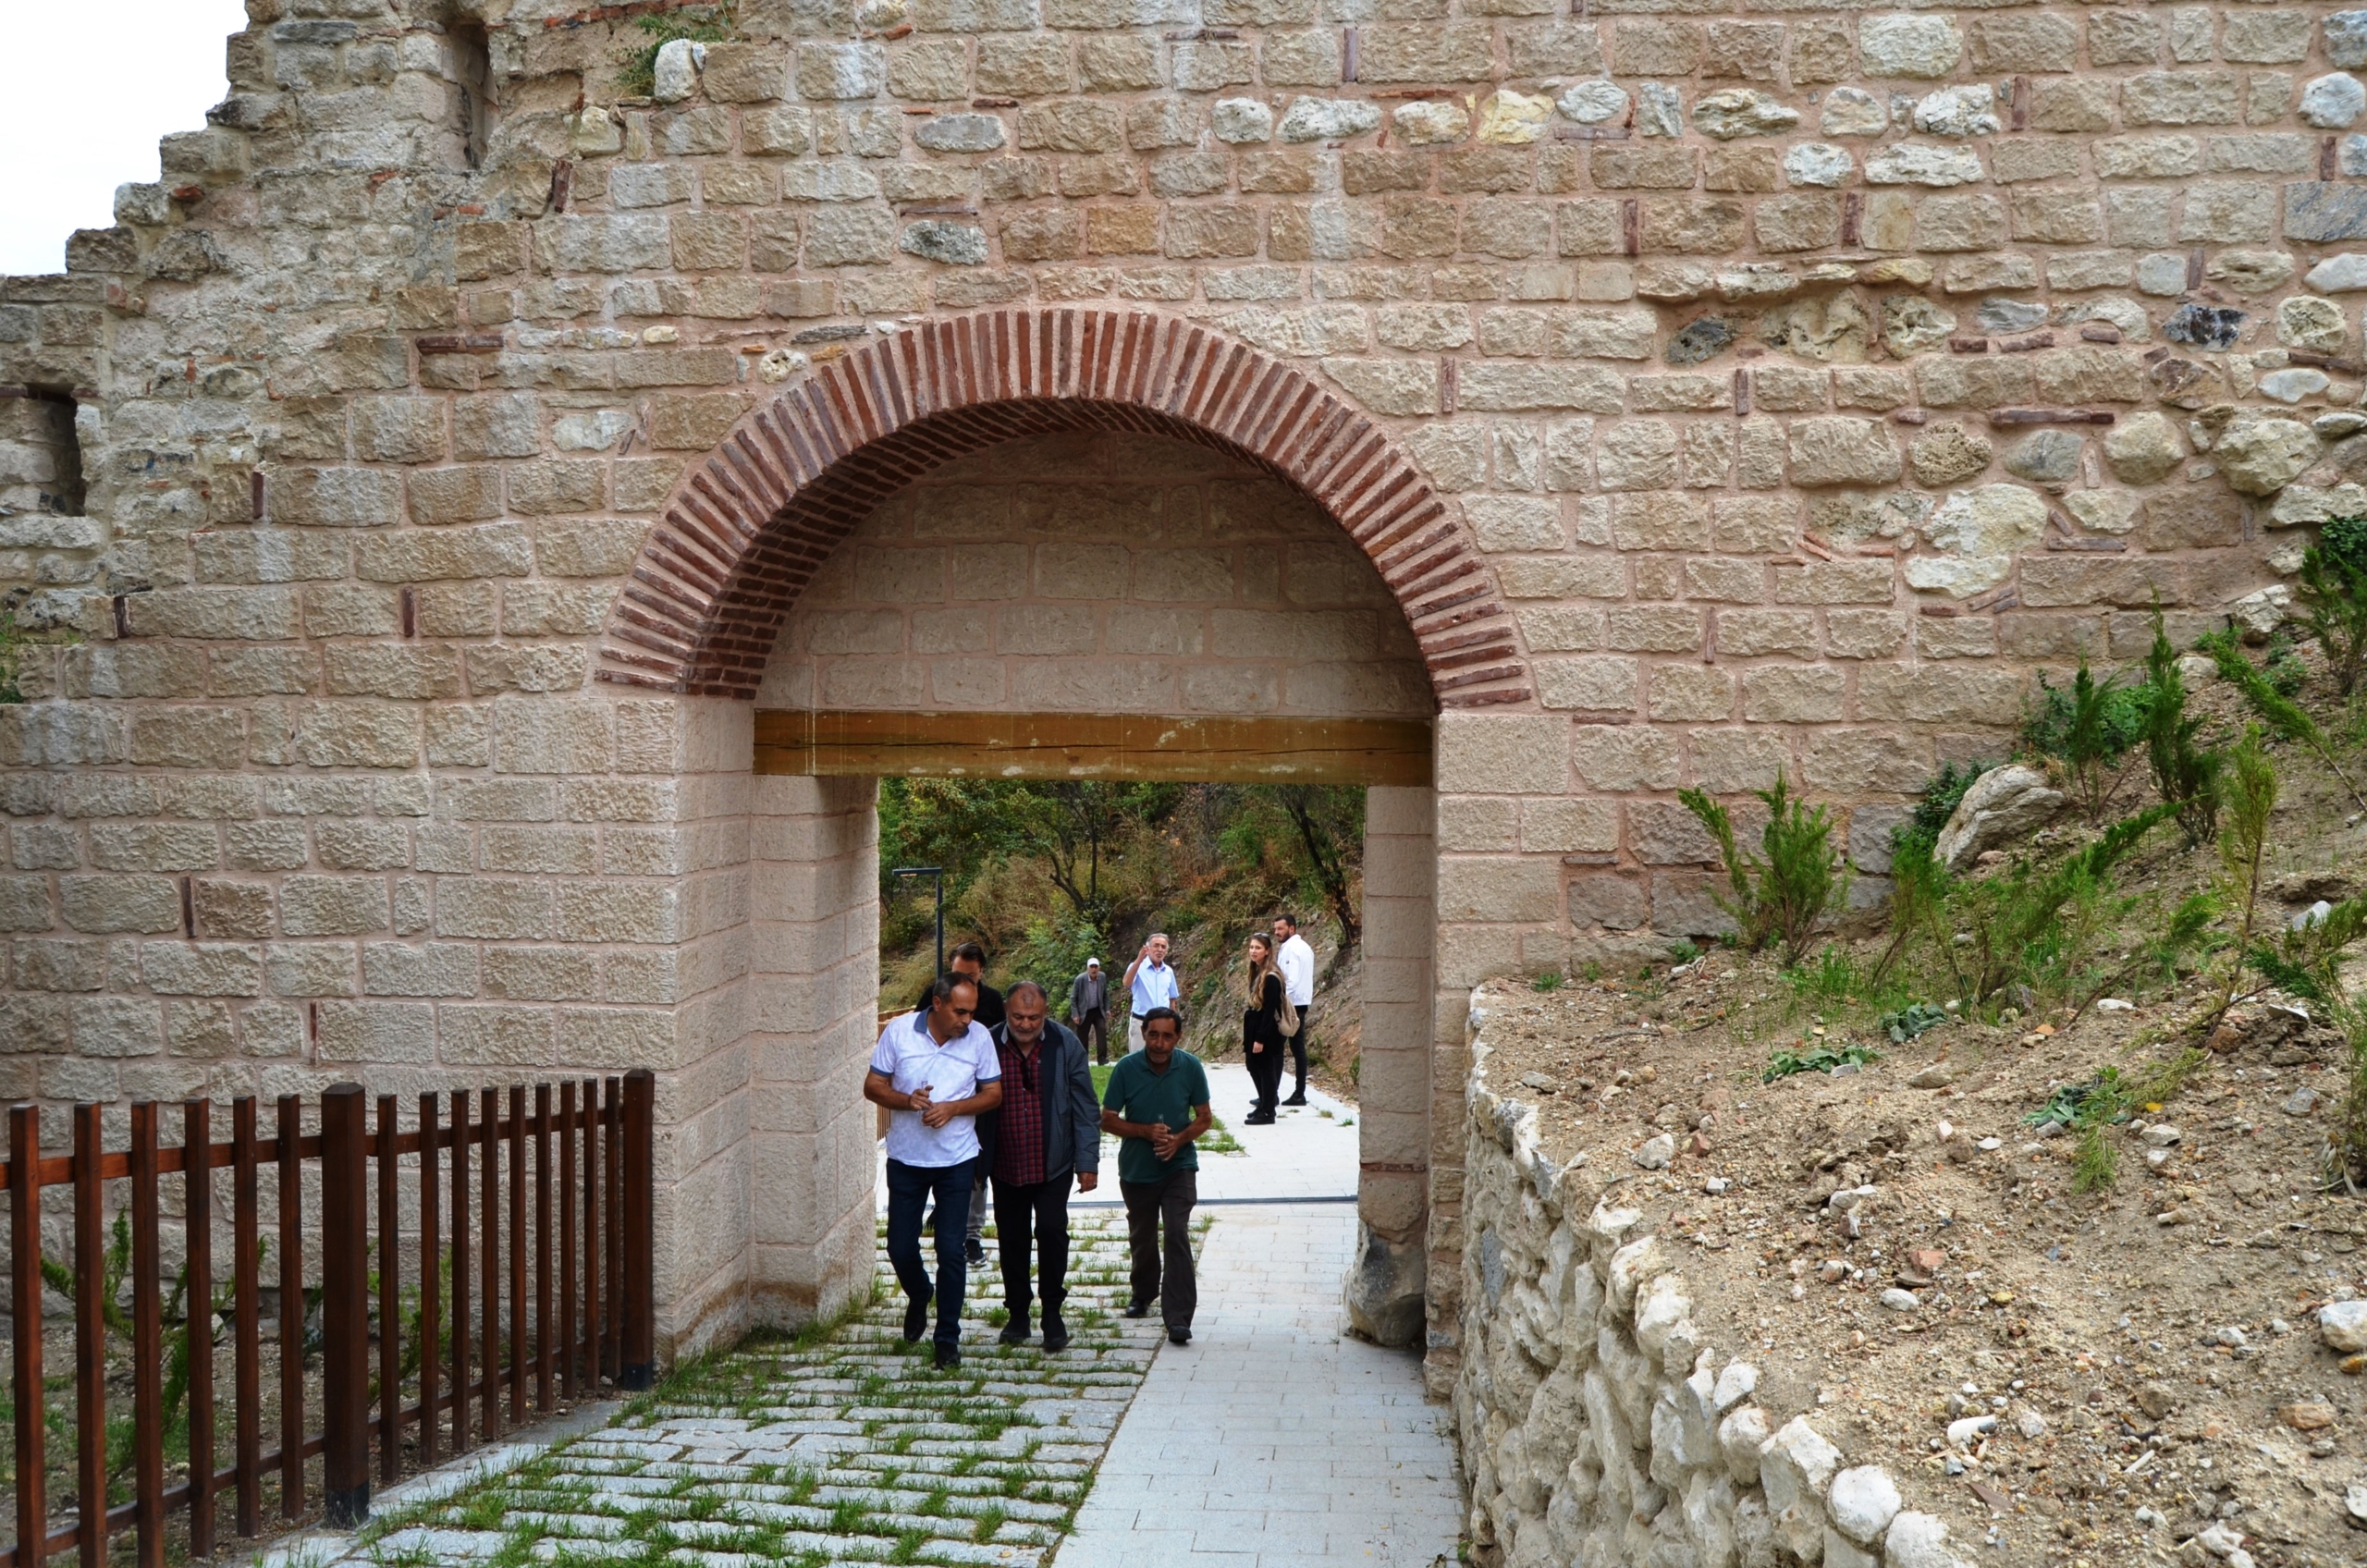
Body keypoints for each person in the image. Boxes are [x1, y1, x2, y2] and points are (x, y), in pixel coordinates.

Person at [865, 974, 1002, 1369]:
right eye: (960, 1011)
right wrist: (907, 1101)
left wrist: (953, 1108)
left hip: (957, 1159)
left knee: (951, 1249)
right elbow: (873, 1086)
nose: (968, 1020)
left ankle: (947, 1338)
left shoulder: (978, 1038)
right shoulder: (899, 1032)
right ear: (938, 1005)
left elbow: (993, 1094)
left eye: (972, 1012)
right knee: (899, 1247)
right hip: (907, 1158)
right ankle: (921, 1292)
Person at [979, 981, 1100, 1353]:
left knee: (1051, 1231)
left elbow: (1085, 1106)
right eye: (1018, 1016)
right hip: (1006, 1163)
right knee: (1011, 1237)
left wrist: (1087, 1162)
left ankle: (1052, 1311)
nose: (1026, 1024)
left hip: (1054, 1162)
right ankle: (1017, 1312)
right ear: (1005, 1010)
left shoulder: (1066, 1044)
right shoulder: (985, 1044)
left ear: (1045, 1013)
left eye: (1033, 1017)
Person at [1099, 1008, 1210, 1345]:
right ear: (1143, 1034)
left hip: (1179, 1168)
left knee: (1176, 1233)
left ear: (1178, 1038)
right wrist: (1144, 1132)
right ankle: (1143, 1292)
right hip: (1137, 1170)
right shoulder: (1126, 1069)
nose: (1159, 1043)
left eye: (1167, 1036)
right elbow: (1107, 1119)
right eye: (1153, 1035)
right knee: (1143, 1235)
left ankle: (1178, 1317)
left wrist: (1178, 1140)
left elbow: (1204, 1118)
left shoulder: (1190, 1067)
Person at [916, 942, 1003, 1267]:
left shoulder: (993, 1001)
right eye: (956, 973)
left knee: (978, 1168)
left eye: (969, 975)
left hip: (977, 1096)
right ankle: (943, 1208)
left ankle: (971, 1236)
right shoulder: (932, 995)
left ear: (981, 973)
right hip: (938, 1093)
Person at [1240, 933, 1296, 1125]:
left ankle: (1268, 1110)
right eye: (1251, 947)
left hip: (1265, 1028)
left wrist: (1260, 1038)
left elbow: (1270, 1009)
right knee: (1252, 1065)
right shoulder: (1257, 971)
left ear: (1267, 951)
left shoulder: (1271, 976)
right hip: (1253, 1024)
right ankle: (1263, 1103)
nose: (1253, 951)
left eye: (1257, 948)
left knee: (1265, 1068)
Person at [1272, 913, 1316, 1107]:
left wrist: (1279, 1001)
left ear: (1292, 928)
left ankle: (1272, 1094)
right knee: (1297, 1048)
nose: (1276, 933)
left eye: (1280, 929)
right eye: (1275, 929)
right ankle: (1298, 1093)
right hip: (1300, 1002)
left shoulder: (1292, 949)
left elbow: (1291, 979)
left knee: (1277, 1048)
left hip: (1290, 1004)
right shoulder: (1304, 947)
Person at [1122, 933, 1179, 1054]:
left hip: (1163, 1024)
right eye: (1156, 946)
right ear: (1147, 949)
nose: (1160, 950)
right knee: (1138, 1062)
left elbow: (1172, 1000)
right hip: (1140, 1022)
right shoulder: (1137, 967)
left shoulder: (1168, 972)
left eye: (1163, 947)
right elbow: (1127, 983)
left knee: (1163, 1060)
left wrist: (1174, 1024)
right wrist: (1138, 960)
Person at [1069, 957, 1110, 1066]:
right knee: (1082, 1036)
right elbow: (1073, 998)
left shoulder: (1102, 977)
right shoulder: (1080, 979)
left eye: (1096, 967)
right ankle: (1083, 1059)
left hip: (1097, 1010)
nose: (1093, 969)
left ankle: (1102, 1058)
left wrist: (1107, 1009)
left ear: (1099, 968)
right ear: (1087, 969)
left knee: (1101, 1031)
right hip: (1084, 1011)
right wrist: (1075, 1014)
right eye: (1091, 967)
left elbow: (1105, 995)